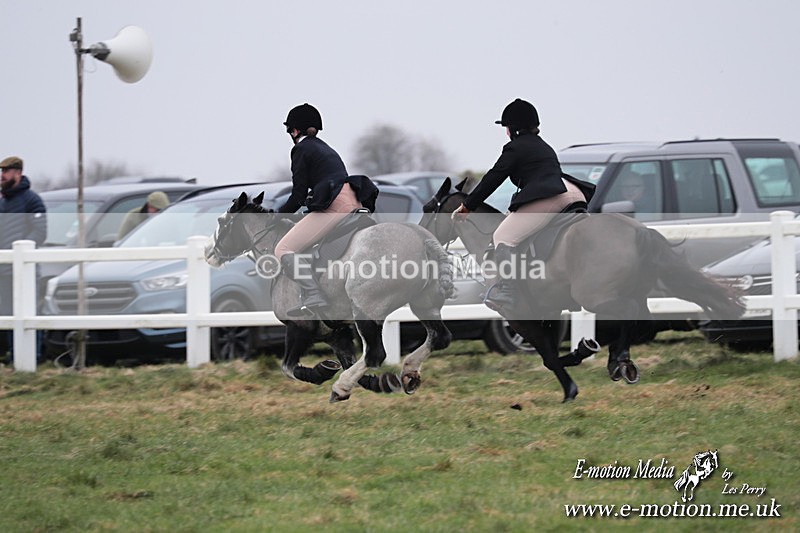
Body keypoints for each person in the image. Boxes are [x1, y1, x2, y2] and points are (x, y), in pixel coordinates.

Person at [452, 99, 595, 314]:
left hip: (551, 195)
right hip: (573, 193)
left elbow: (493, 178)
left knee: (503, 237)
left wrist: (467, 206)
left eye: (506, 127)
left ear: (513, 128)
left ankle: (507, 291)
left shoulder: (515, 148)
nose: (506, 132)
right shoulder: (543, 145)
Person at [274, 103, 379, 317]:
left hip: (335, 205)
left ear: (294, 130)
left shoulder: (300, 149)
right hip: (354, 199)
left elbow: (298, 195)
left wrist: (277, 217)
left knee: (283, 249)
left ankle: (314, 294)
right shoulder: (324, 147)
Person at [0, 156, 47, 359]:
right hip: (4, 269)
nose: (2, 175)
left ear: (18, 173)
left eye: (6, 171)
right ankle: (12, 354)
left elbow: (39, 233)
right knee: (8, 314)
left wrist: (21, 254)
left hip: (23, 270)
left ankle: (32, 355)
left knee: (26, 312)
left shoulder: (32, 200)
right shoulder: (3, 202)